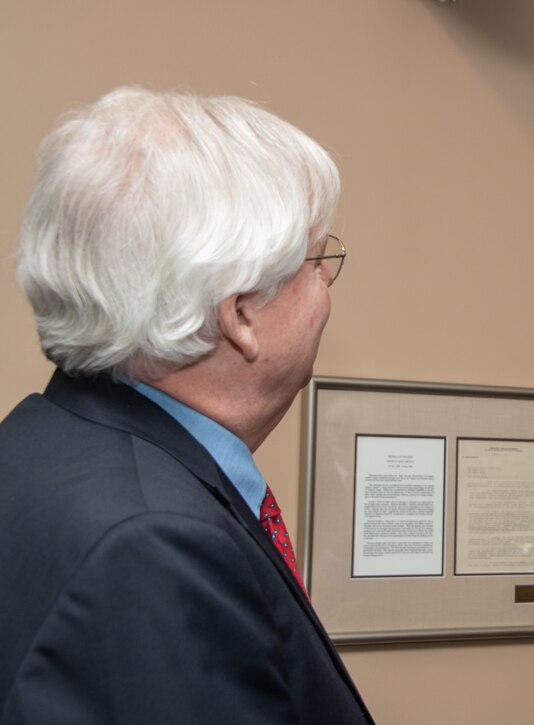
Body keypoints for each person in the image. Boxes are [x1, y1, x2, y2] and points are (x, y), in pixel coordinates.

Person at [0, 87, 374, 724]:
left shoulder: (38, 442)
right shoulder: (154, 544)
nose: (328, 284)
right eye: (318, 260)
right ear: (241, 314)